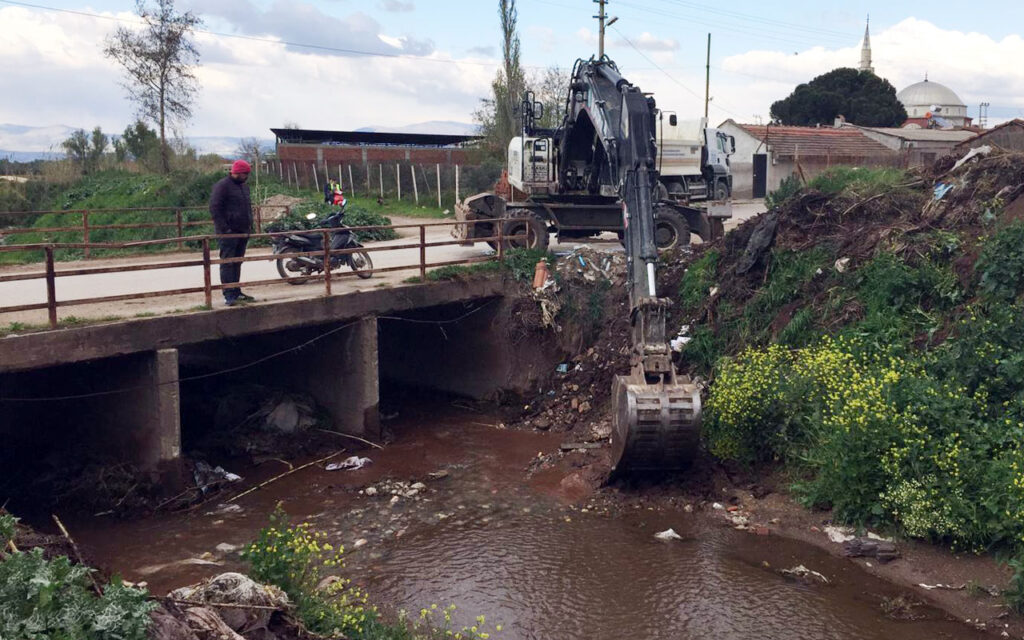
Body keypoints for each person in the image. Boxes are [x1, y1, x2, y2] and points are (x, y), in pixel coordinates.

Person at [209, 159, 255, 306]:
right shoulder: (222, 186)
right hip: (229, 233)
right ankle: (228, 293)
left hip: (242, 231)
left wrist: (249, 225)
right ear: (237, 172)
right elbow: (215, 208)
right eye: (245, 173)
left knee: (237, 262)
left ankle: (236, 290)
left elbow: (246, 207)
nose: (246, 176)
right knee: (228, 263)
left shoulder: (243, 187)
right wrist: (225, 229)